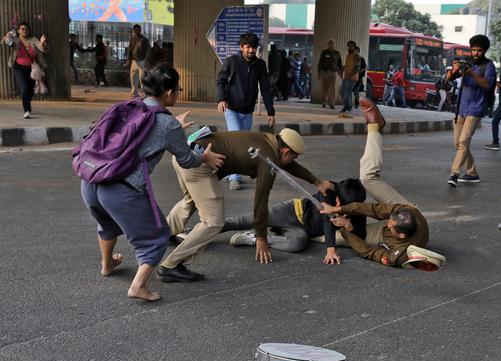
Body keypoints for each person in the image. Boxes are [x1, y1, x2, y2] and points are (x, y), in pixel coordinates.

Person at [79, 64, 224, 302]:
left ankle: (107, 266)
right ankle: (138, 286)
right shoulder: (168, 124)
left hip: (92, 179)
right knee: (157, 237)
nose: (178, 93)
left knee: (106, 223)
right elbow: (187, 160)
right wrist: (205, 157)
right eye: (177, 89)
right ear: (168, 92)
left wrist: (173, 125)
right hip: (121, 188)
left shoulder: (131, 106)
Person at [160, 128, 333, 281]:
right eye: (293, 157)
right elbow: (260, 201)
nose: (293, 161)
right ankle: (172, 265)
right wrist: (261, 236)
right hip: (200, 164)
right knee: (213, 222)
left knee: (190, 200)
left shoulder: (267, 140)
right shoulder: (268, 160)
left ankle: (164, 234)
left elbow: (289, 165)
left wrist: (317, 182)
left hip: (186, 155)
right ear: (286, 151)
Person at [318, 98, 444, 270]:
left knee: (334, 236)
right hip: (405, 219)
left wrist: (347, 229)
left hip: (385, 240)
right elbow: (375, 210)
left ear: (399, 234)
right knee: (368, 177)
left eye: (390, 225)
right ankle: (374, 126)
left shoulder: (398, 255)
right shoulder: (407, 211)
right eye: (389, 220)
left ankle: (304, 231)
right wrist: (338, 209)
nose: (387, 222)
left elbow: (367, 251)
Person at [219, 178, 367, 265]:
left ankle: (254, 238)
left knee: (298, 243)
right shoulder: (328, 191)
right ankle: (205, 229)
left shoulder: (356, 210)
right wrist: (330, 250)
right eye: (340, 204)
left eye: (347, 208)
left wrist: (348, 225)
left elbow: (361, 235)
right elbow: (326, 221)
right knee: (242, 221)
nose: (341, 209)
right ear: (337, 197)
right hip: (291, 211)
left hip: (301, 230)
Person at [216, 32, 275, 191]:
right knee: (237, 142)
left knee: (244, 143)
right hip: (232, 108)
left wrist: (271, 112)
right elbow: (221, 80)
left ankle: (234, 172)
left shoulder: (260, 65)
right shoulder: (232, 61)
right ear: (241, 47)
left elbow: (265, 89)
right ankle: (234, 177)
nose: (250, 50)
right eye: (247, 47)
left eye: (253, 47)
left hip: (247, 111)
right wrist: (221, 99)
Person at [446, 34, 496, 185]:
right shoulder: (467, 64)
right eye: (473, 50)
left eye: (479, 50)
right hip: (461, 108)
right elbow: (448, 79)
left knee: (463, 141)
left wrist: (471, 73)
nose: (475, 53)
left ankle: (454, 174)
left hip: (476, 109)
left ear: (484, 50)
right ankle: (472, 172)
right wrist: (454, 71)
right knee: (458, 144)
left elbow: (487, 84)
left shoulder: (489, 66)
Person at [3, 22, 47, 119]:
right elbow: (8, 43)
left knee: (30, 90)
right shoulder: (15, 40)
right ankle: (27, 110)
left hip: (31, 69)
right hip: (18, 68)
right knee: (24, 88)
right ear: (18, 30)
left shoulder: (33, 40)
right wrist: (7, 38)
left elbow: (42, 48)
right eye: (22, 29)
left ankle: (27, 101)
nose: (24, 31)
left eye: (26, 29)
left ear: (29, 31)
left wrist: (42, 43)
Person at [125, 24, 150, 97]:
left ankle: (144, 93)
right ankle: (134, 92)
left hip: (142, 60)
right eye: (135, 30)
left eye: (138, 30)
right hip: (134, 61)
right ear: (133, 30)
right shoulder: (132, 39)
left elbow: (148, 51)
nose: (136, 31)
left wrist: (146, 60)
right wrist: (128, 59)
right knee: (133, 77)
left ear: (140, 30)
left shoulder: (144, 40)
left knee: (142, 77)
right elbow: (130, 49)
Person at [338, 40, 361, 118]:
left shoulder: (356, 56)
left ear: (354, 47)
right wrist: (341, 71)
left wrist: (349, 75)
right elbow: (346, 65)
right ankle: (347, 106)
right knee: (342, 92)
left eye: (352, 46)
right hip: (346, 77)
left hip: (352, 78)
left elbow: (357, 68)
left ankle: (348, 107)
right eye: (349, 46)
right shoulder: (348, 55)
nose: (350, 47)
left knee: (347, 92)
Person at [317, 39, 342, 109]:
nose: (331, 45)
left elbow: (340, 63)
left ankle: (332, 103)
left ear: (334, 44)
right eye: (329, 43)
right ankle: (324, 102)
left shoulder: (337, 53)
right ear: (327, 45)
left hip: (333, 73)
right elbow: (320, 63)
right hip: (324, 72)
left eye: (332, 43)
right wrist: (319, 72)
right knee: (324, 88)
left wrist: (340, 72)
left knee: (333, 89)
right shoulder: (324, 52)